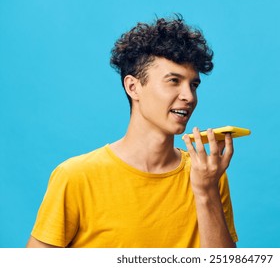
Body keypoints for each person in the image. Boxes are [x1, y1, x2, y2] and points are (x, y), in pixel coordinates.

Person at [26, 15, 237, 248]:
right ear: (133, 87)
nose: (189, 96)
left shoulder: (207, 174)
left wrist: (206, 191)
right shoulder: (76, 177)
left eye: (193, 85)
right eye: (174, 81)